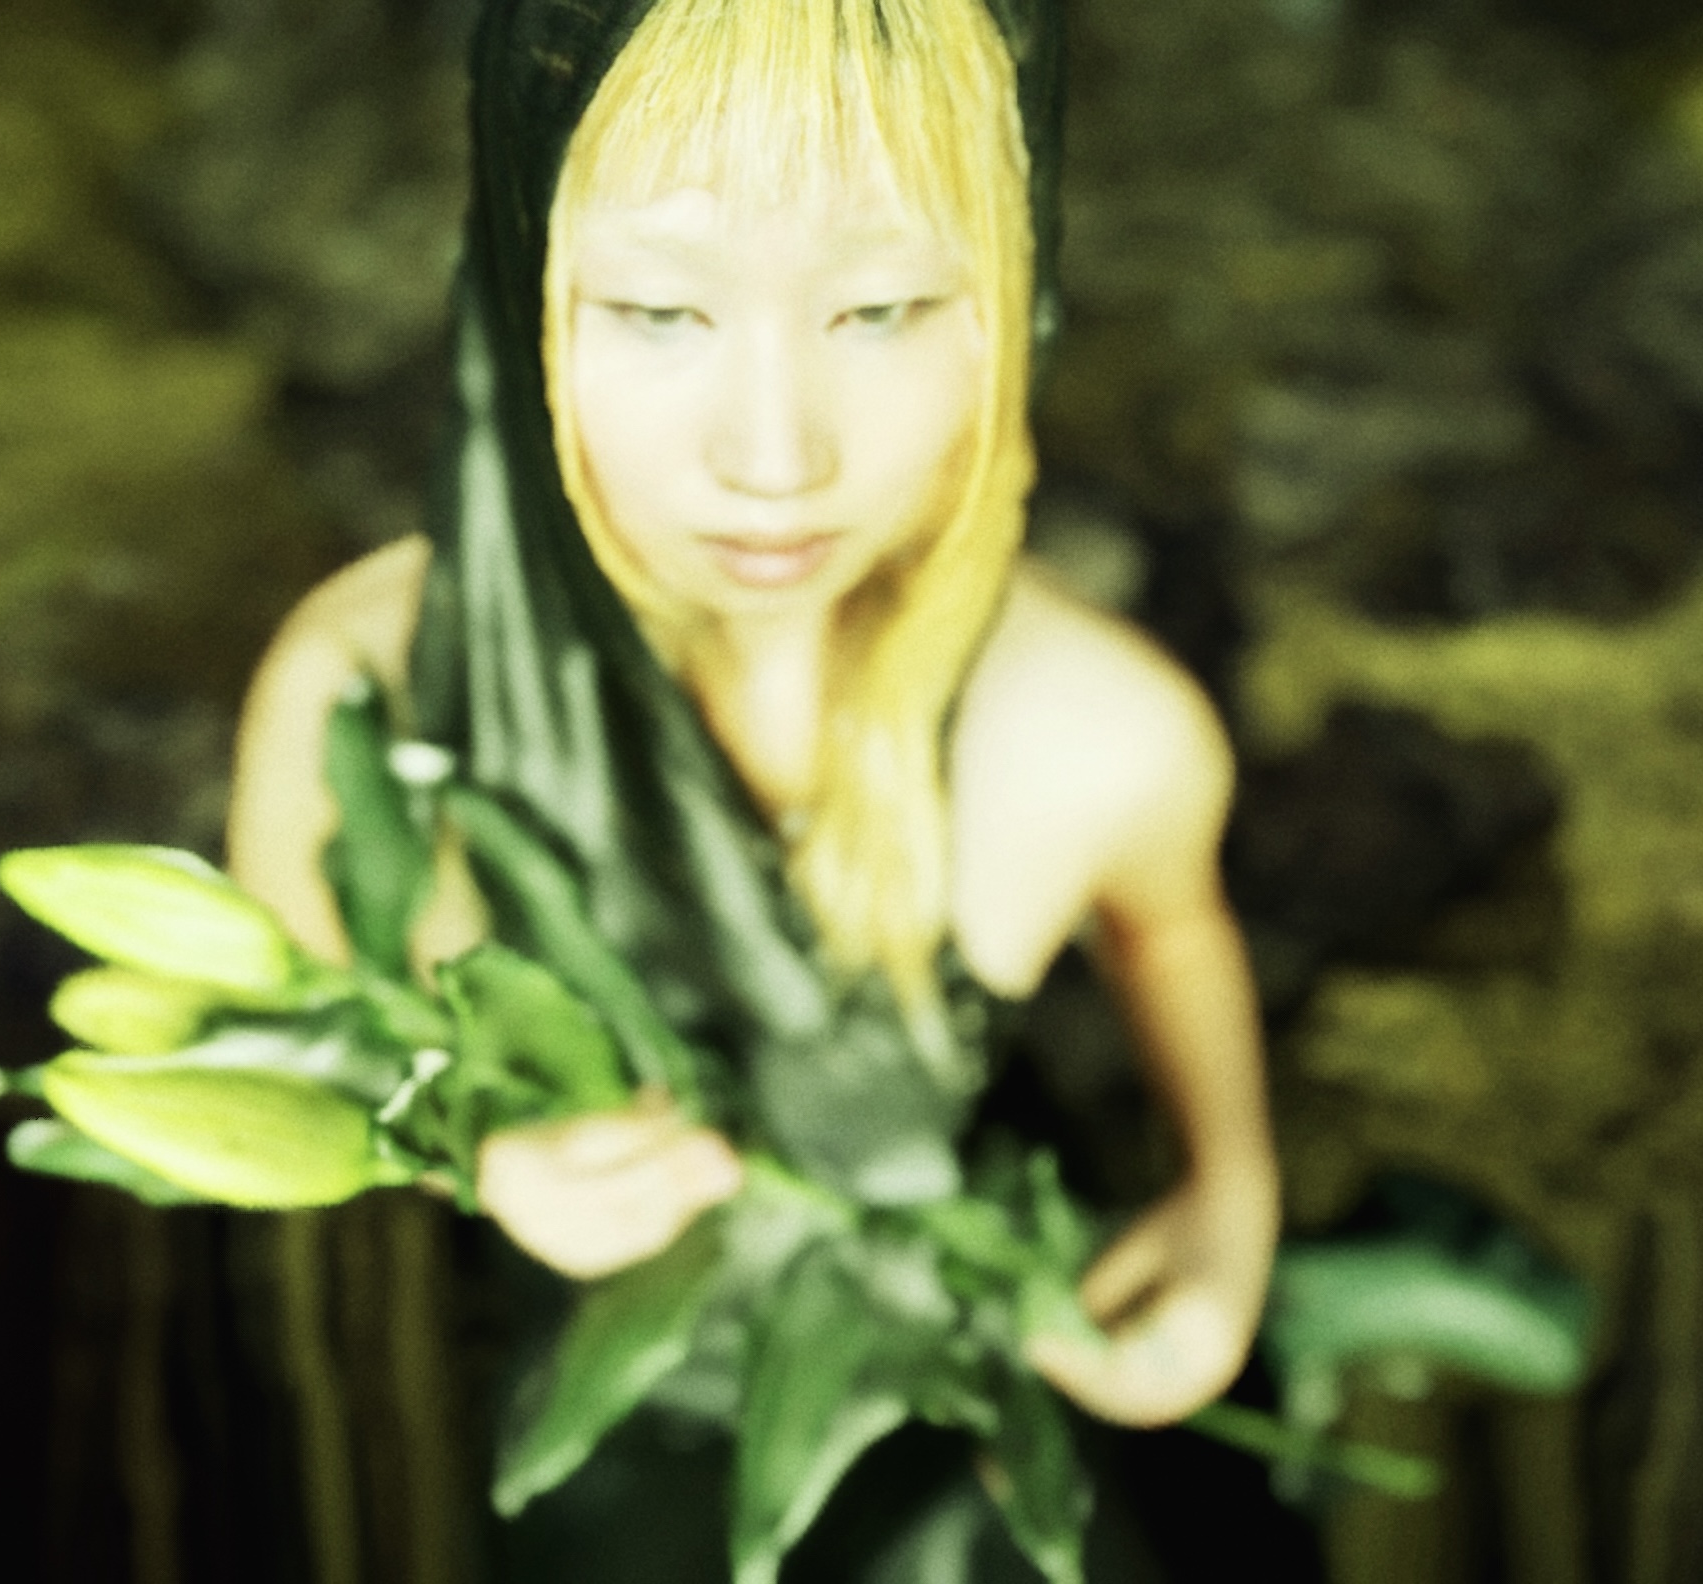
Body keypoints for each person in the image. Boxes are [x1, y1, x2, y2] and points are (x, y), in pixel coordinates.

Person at [227, 0, 1278, 1561]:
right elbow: (286, 1030)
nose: (775, 461)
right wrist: (473, 1150)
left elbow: (1167, 925)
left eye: (882, 308)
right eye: (659, 311)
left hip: (972, 1463)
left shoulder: (1094, 731)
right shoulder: (368, 695)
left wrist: (1230, 1194)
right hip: (588, 1460)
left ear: (1014, 290)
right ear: (518, 279)